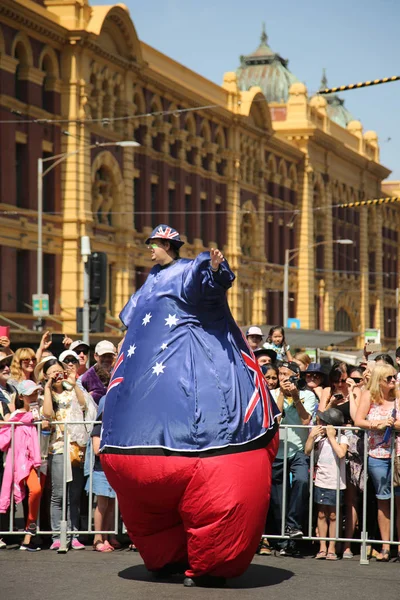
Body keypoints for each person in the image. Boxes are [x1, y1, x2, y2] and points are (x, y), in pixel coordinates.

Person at [100, 224, 280, 587]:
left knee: (216, 493)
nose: (150, 249)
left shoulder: (188, 272)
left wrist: (214, 271)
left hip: (194, 428)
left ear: (167, 244)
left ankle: (205, 560)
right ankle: (167, 556)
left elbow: (210, 284)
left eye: (154, 244)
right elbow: (130, 320)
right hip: (145, 431)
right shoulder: (149, 283)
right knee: (161, 507)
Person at [40, 358, 96, 551]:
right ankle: (57, 535)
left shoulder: (71, 390)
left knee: (74, 495)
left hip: (76, 447)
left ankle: (73, 535)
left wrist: (74, 384)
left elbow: (83, 406)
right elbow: (47, 414)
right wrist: (48, 388)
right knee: (58, 494)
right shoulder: (45, 394)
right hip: (57, 448)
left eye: (59, 372)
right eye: (52, 373)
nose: (57, 376)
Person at [268, 361, 317, 555]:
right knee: (278, 500)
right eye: (280, 374)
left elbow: (306, 420)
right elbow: (276, 420)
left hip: (298, 450)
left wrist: (295, 397)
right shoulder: (272, 394)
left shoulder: (307, 395)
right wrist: (281, 393)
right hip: (278, 452)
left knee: (302, 481)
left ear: (296, 376)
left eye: (286, 374)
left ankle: (293, 526)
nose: (282, 378)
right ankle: (283, 544)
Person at [355, 364, 400, 562]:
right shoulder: (368, 396)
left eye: (394, 377)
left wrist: (394, 425)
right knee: (383, 501)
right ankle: (385, 546)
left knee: (399, 502)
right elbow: (358, 420)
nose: (393, 381)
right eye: (389, 378)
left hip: (398, 454)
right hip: (377, 454)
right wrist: (377, 425)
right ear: (379, 380)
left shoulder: (399, 395)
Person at [0, 380, 43, 551]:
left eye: (35, 393)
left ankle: (28, 536)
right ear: (21, 396)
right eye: (30, 393)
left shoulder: (37, 412)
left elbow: (43, 421)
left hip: (37, 459)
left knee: (36, 494)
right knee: (34, 491)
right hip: (20, 461)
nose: (34, 396)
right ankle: (28, 533)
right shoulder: (16, 415)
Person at [305, 408, 349, 561]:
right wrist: (311, 437)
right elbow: (307, 451)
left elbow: (341, 453)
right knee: (321, 514)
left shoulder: (342, 439)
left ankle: (332, 548)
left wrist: (331, 437)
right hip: (321, 480)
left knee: (334, 515)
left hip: (336, 483)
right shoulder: (320, 439)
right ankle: (322, 547)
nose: (321, 424)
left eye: (324, 422)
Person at [86, 397, 119, 553]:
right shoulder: (99, 426)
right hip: (101, 470)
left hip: (112, 469)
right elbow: (97, 449)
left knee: (111, 506)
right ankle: (97, 538)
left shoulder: (116, 425)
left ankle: (105, 536)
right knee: (102, 505)